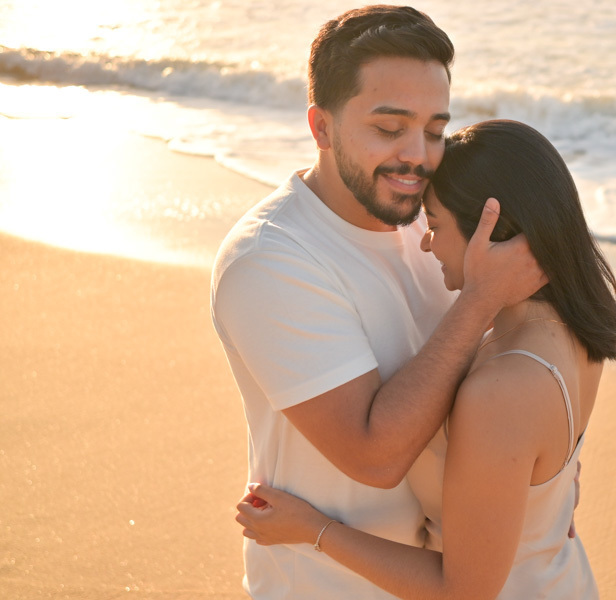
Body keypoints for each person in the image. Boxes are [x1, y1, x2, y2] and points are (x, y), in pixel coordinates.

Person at [210, 6, 546, 599]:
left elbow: (532, 358)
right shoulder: (271, 261)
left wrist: (548, 486)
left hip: (448, 574)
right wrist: (480, 301)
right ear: (322, 127)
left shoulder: (436, 225)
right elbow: (374, 457)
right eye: (390, 129)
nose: (418, 156)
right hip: (327, 586)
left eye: (436, 130)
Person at [236, 119, 616, 599]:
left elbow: (461, 592)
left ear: (494, 232)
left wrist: (312, 529)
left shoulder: (503, 389)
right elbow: (545, 467)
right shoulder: (573, 328)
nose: (426, 242)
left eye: (436, 225)